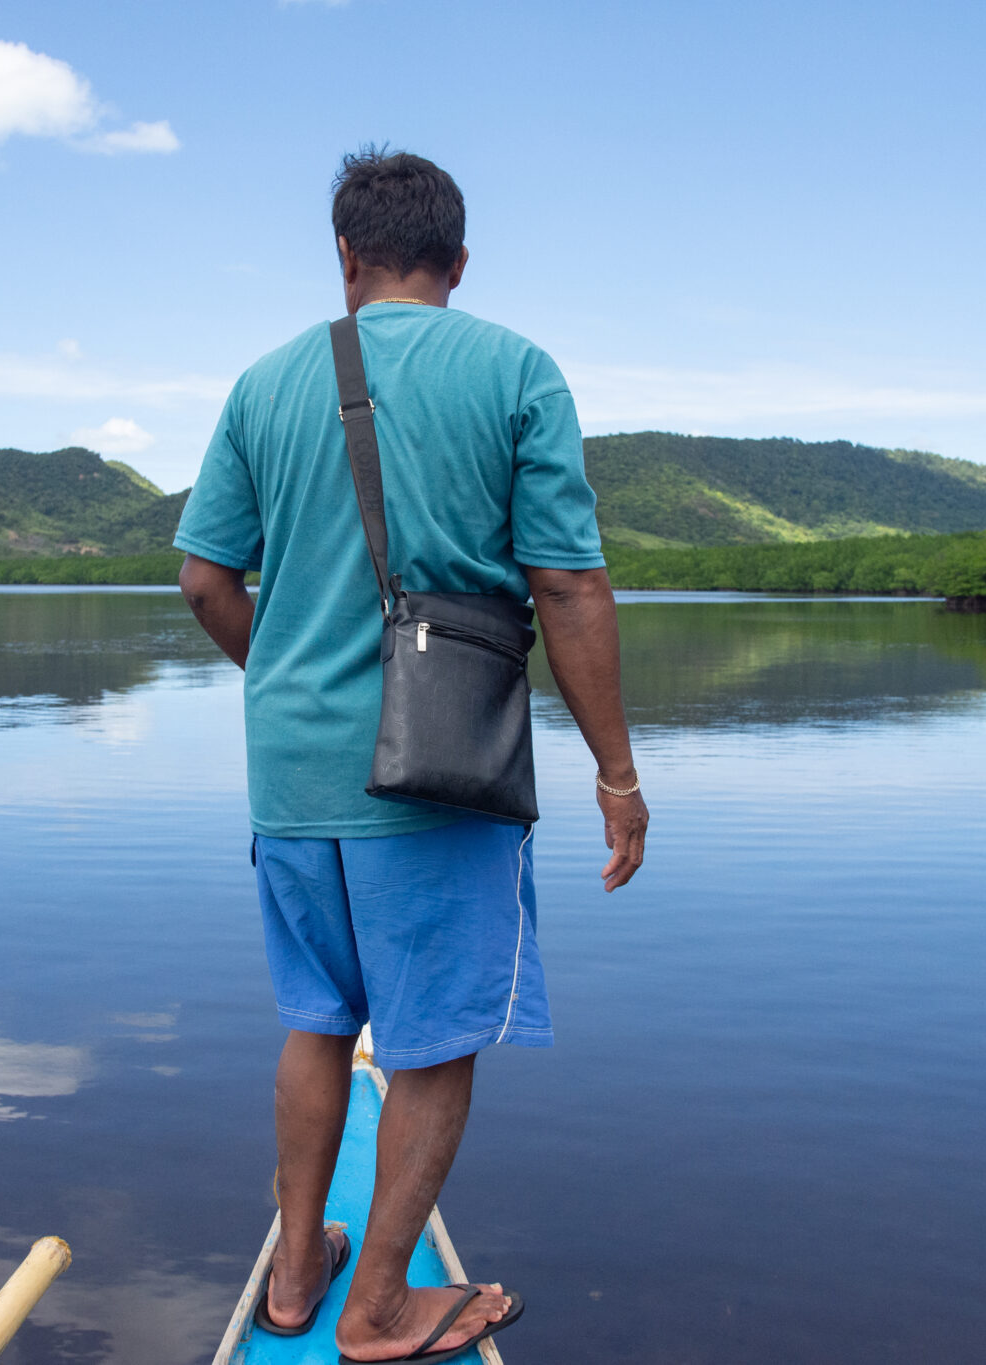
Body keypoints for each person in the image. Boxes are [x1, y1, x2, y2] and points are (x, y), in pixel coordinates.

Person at [175, 146, 649, 1364]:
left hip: (289, 777)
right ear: (459, 261)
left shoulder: (263, 382)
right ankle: (379, 1309)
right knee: (430, 1042)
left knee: (315, 1020)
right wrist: (614, 773)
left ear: (343, 256)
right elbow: (567, 582)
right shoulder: (512, 369)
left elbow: (204, 579)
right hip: (441, 776)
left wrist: (287, 685)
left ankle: (296, 1281)